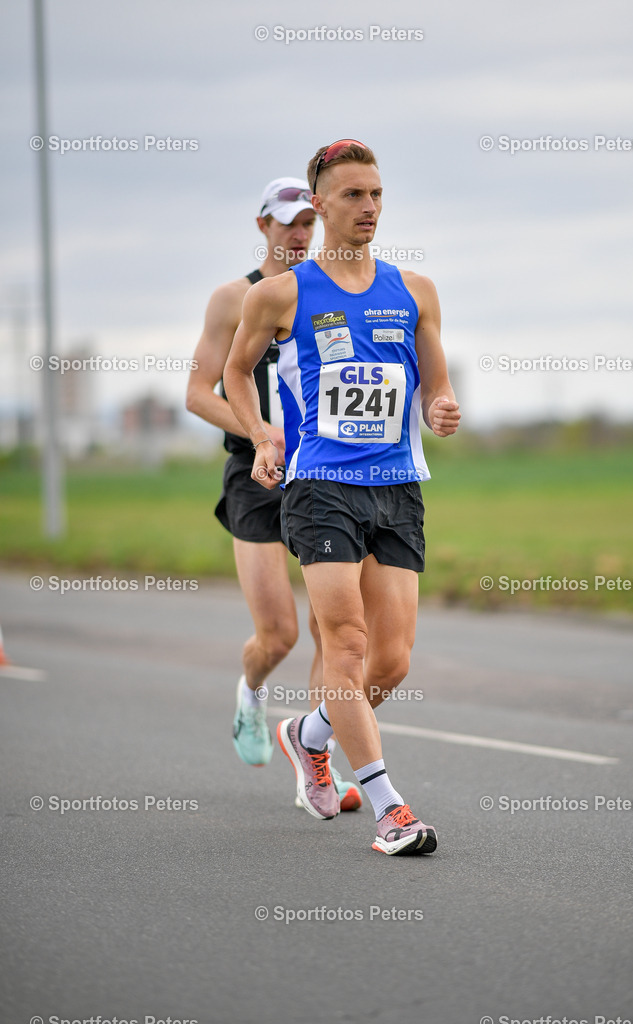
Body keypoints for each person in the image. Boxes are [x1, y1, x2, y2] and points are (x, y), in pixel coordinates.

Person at [224, 140, 460, 854]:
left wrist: (441, 408)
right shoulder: (279, 295)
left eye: (376, 194)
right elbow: (235, 374)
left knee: (391, 663)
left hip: (397, 488)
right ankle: (391, 812)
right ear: (320, 204)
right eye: (353, 195)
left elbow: (436, 386)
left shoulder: (415, 290)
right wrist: (261, 434)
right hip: (320, 489)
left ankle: (308, 734)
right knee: (347, 646)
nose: (369, 207)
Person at [186, 176, 362, 811]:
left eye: (308, 222)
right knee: (281, 634)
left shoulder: (327, 294)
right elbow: (198, 393)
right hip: (255, 475)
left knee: (330, 631)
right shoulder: (234, 298)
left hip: (320, 475)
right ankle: (252, 692)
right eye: (288, 222)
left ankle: (318, 768)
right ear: (262, 225)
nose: (300, 232)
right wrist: (262, 433)